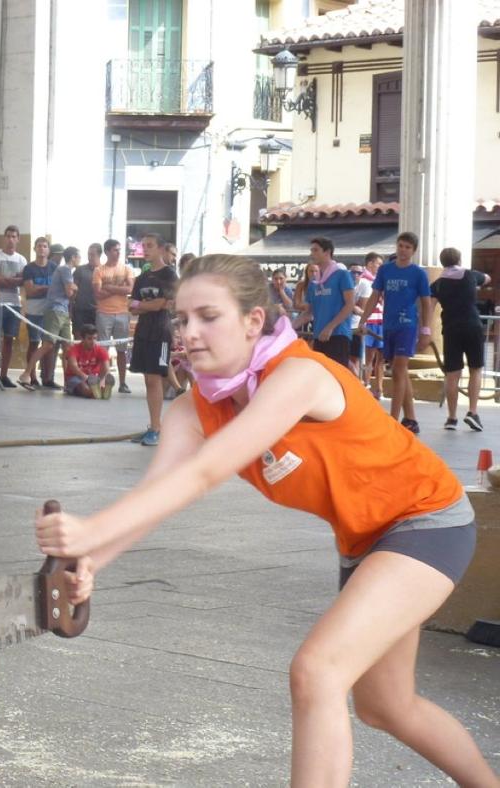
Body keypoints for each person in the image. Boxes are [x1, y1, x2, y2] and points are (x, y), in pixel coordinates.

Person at [35, 253, 496, 788]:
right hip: (365, 539)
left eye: (209, 317)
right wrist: (92, 561)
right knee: (385, 707)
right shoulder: (195, 409)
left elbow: (206, 473)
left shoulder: (299, 377)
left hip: (427, 520)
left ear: (254, 321)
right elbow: (158, 495)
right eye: (182, 319)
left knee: (317, 672)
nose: (190, 333)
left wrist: (92, 529)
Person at [357, 232, 431, 434]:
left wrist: (426, 329)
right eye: (401, 245)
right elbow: (375, 295)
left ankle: (393, 418)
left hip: (407, 324)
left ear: (413, 251)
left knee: (398, 368)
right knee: (401, 371)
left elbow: (426, 302)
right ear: (396, 247)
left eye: (408, 247)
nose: (403, 250)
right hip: (388, 324)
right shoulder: (385, 270)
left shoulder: (418, 273)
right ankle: (411, 418)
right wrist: (363, 320)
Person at [430, 247, 490, 431]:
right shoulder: (471, 275)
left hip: (451, 328)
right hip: (472, 325)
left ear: (442, 262)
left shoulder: (437, 284)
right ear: (460, 259)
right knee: (476, 369)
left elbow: (430, 308)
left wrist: (424, 330)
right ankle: (472, 412)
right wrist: (476, 286)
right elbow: (487, 278)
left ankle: (451, 418)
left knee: (452, 374)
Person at [128, 234, 177, 446]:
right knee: (148, 380)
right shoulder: (142, 277)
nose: (145, 250)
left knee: (155, 378)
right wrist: (144, 305)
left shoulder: (169, 275)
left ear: (160, 249)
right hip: (143, 331)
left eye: (149, 246)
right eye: (143, 246)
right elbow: (132, 307)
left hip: (161, 331)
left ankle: (156, 429)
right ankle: (154, 424)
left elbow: (161, 305)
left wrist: (143, 304)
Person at [22, 244, 77, 389]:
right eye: (78, 257)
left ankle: (69, 382)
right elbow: (69, 292)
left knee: (67, 347)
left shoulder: (61, 269)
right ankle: (26, 374)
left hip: (63, 310)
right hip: (55, 310)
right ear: (73, 257)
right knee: (47, 345)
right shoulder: (65, 270)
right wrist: (75, 288)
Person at [0, 225, 27, 388]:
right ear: (5, 238)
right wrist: (14, 279)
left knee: (9, 339)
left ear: (18, 239)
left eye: (14, 236)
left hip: (15, 304)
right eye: (8, 236)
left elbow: (23, 281)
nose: (10, 239)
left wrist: (8, 279)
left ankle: (3, 375)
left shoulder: (22, 260)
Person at [306, 237, 354, 369]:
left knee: (338, 376)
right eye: (311, 250)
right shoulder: (314, 282)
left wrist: (330, 327)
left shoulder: (342, 274)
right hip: (319, 336)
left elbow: (350, 304)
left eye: (316, 250)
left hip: (338, 335)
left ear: (327, 252)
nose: (312, 254)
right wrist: (289, 326)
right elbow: (308, 312)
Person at [93, 239, 133, 393]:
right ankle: (103, 381)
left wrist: (109, 287)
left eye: (119, 249)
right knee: (103, 350)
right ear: (107, 252)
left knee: (122, 350)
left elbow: (129, 289)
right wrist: (119, 288)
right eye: (115, 250)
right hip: (104, 313)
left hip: (122, 313)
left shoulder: (126, 269)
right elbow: (98, 294)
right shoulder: (99, 270)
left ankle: (123, 383)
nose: (118, 252)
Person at [17, 237, 53, 390]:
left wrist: (40, 287)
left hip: (50, 310)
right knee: (34, 342)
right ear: (34, 248)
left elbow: (57, 288)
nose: (42, 249)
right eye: (39, 246)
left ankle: (48, 377)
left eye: (44, 246)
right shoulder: (29, 268)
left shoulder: (54, 267)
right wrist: (47, 288)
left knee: (49, 344)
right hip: (33, 309)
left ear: (48, 250)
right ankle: (31, 376)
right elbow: (30, 290)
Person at [358, 252, 385, 398]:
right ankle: (367, 385)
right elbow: (365, 303)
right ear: (370, 264)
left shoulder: (379, 281)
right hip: (370, 322)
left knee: (381, 358)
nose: (380, 267)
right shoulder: (364, 281)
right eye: (378, 264)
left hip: (381, 321)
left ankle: (379, 388)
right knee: (369, 357)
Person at [63, 324, 115, 399]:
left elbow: (106, 369)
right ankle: (99, 392)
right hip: (75, 377)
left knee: (93, 385)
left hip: (94, 378)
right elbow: (73, 367)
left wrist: (101, 380)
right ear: (82, 338)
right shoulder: (73, 349)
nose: (93, 341)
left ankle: (98, 390)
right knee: (83, 388)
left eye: (95, 338)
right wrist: (86, 378)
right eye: (89, 338)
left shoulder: (101, 350)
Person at [72, 242, 101, 336]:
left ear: (99, 255)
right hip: (80, 311)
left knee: (94, 339)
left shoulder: (103, 270)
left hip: (97, 311)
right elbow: (73, 291)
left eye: (92, 255)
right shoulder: (80, 270)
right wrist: (70, 309)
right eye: (88, 254)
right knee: (78, 337)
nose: (90, 257)